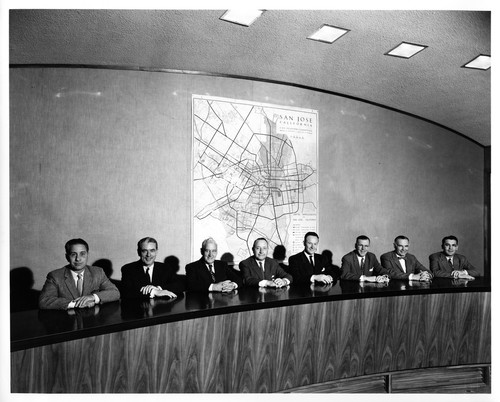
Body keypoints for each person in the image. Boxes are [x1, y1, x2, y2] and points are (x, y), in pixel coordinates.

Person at [39, 238, 120, 310]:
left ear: (88, 255)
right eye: (73, 254)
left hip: (92, 321)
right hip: (67, 322)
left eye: (82, 254)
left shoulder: (98, 272)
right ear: (67, 257)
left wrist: (92, 297)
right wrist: (76, 304)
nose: (78, 259)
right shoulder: (55, 276)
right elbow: (44, 301)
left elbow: (115, 292)